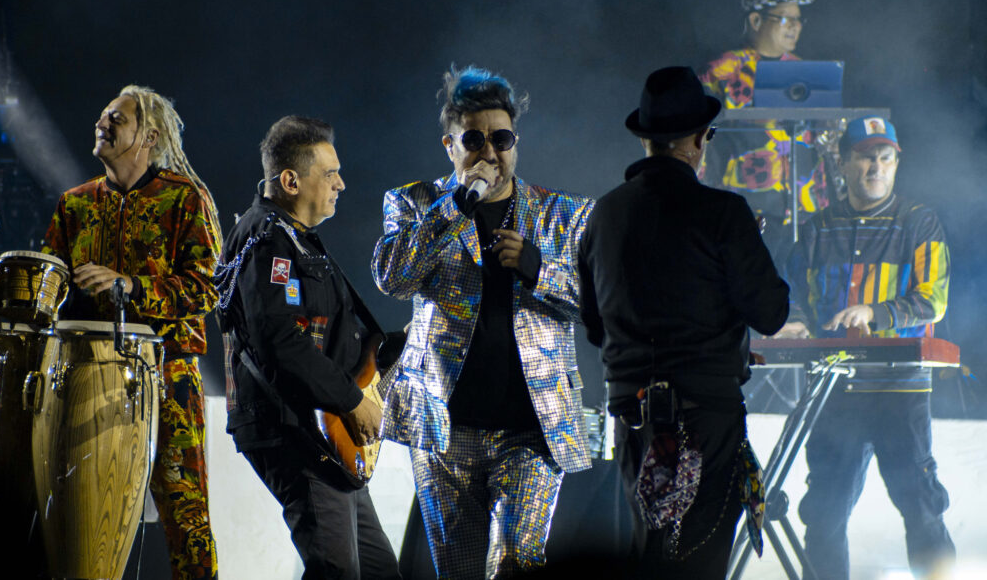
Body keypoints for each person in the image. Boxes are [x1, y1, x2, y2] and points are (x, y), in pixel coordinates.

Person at [371, 65, 595, 578]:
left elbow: (602, 301)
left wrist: (539, 268)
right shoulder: (413, 203)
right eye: (473, 139)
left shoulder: (564, 214)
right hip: (445, 431)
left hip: (531, 431)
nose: (489, 152)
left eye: (501, 138)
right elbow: (393, 278)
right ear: (448, 144)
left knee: (516, 564)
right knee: (461, 571)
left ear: (516, 141)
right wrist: (454, 206)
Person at [578, 66, 789, 579]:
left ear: (647, 141)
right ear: (700, 139)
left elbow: (595, 326)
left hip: (634, 420)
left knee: (648, 559)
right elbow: (771, 312)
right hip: (704, 418)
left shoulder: (602, 215)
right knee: (697, 563)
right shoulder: (723, 212)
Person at [43, 85, 221, 579]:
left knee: (186, 516)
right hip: (86, 376)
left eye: (117, 118)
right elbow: (49, 292)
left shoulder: (184, 198)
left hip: (169, 374)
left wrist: (132, 286)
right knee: (79, 505)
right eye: (102, 115)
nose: (103, 123)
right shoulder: (73, 205)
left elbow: (208, 288)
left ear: (151, 135)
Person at [214, 116, 400, 579]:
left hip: (325, 434)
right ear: (291, 180)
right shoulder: (267, 239)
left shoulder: (293, 236)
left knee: (378, 571)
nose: (341, 183)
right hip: (297, 431)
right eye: (330, 172)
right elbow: (279, 340)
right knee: (336, 570)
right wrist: (351, 400)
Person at [777, 116, 955, 579]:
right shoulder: (815, 230)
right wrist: (794, 323)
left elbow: (933, 299)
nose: (875, 166)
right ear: (843, 162)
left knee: (921, 509)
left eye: (885, 157)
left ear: (896, 162)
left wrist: (874, 312)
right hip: (834, 394)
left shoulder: (920, 222)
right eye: (864, 157)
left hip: (900, 390)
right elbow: (791, 294)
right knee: (823, 515)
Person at [697, 0, 832, 270]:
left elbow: (823, 138)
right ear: (757, 21)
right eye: (785, 18)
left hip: (803, 208)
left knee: (796, 293)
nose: (795, 26)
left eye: (799, 20)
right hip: (746, 209)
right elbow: (700, 136)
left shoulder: (805, 71)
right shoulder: (724, 70)